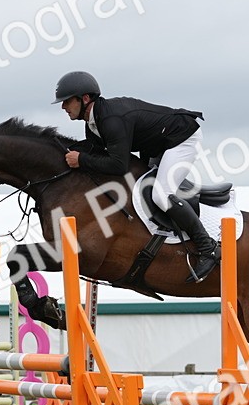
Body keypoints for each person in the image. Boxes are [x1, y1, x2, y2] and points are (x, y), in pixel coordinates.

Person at [54, 70, 219, 283]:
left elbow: (118, 164)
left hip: (181, 138)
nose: (63, 107)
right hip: (157, 145)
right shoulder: (94, 121)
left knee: (161, 195)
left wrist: (82, 160)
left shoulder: (110, 120)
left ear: (85, 99)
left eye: (67, 101)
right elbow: (95, 151)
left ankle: (208, 248)